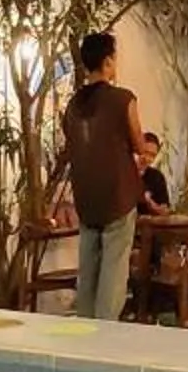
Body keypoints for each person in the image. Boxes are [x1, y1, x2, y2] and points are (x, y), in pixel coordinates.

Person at [61, 31, 150, 319]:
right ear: (108, 61)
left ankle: (84, 331)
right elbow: (139, 144)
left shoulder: (72, 106)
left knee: (88, 270)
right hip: (117, 196)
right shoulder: (124, 99)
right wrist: (146, 153)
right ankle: (105, 336)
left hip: (86, 196)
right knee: (114, 268)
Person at [138, 132, 174, 216]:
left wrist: (150, 203)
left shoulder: (157, 177)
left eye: (152, 155)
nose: (147, 159)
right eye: (145, 152)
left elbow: (165, 211)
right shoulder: (124, 174)